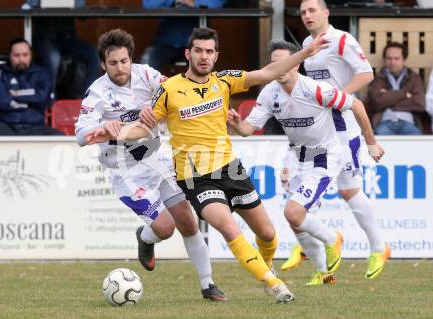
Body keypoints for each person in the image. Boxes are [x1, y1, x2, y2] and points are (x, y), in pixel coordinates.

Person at [87, 27, 330, 303]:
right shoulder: (169, 89)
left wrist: (305, 53)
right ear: (188, 54)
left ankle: (266, 266)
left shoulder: (224, 81)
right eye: (199, 51)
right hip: (194, 177)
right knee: (228, 228)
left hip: (231, 168)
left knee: (267, 233)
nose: (204, 57)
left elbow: (267, 73)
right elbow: (143, 129)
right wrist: (111, 132)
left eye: (209, 52)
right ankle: (275, 285)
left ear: (216, 56)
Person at [75, 28, 226, 302]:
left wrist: (164, 108)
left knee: (188, 222)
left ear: (131, 58)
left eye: (124, 61)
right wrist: (102, 127)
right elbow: (80, 136)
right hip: (127, 172)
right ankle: (145, 239)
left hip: (158, 160)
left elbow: (177, 95)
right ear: (102, 65)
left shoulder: (147, 75)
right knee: (166, 228)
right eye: (113, 63)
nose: (120, 68)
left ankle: (208, 285)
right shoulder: (97, 92)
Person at [227, 40, 384, 285]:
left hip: (325, 157)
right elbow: (248, 129)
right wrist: (237, 125)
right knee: (296, 220)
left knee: (294, 212)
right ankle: (324, 273)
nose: (278, 67)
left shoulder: (315, 89)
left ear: (296, 63)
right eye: (274, 62)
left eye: (283, 62)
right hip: (297, 157)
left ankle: (334, 239)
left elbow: (357, 105)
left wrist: (371, 142)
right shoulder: (270, 92)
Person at [281, 0, 391, 282]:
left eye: (312, 10)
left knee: (349, 190)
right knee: (310, 182)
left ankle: (378, 247)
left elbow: (367, 73)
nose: (306, 15)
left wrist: (339, 96)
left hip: (345, 127)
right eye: (303, 12)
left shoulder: (342, 40)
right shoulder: (307, 43)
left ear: (325, 13)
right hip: (323, 125)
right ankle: (314, 256)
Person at [24, 0, 100, 98]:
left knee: (95, 56)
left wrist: (75, 4)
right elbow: (27, 8)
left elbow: (83, 16)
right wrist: (40, 4)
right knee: (54, 59)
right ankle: (49, 99)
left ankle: (86, 99)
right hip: (44, 38)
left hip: (69, 38)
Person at [0, 38, 61, 136]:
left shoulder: (42, 73)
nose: (21, 59)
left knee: (60, 139)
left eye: (25, 55)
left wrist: (15, 95)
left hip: (36, 125)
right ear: (10, 56)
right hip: (6, 125)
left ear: (31, 56)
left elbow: (42, 98)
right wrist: (31, 97)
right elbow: (0, 100)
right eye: (16, 55)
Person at [142, 0, 226, 72]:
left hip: (198, 41)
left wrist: (195, 2)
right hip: (166, 40)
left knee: (208, 76)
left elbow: (217, 4)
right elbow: (148, 4)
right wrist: (174, 1)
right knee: (145, 69)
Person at [367, 42, 425, 135]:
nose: (392, 62)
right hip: (384, 122)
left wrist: (388, 98)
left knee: (418, 145)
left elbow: (419, 104)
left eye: (396, 58)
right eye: (389, 58)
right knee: (378, 145)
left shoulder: (414, 78)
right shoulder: (378, 78)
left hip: (408, 122)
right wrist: (404, 95)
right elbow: (375, 103)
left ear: (404, 60)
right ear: (385, 59)